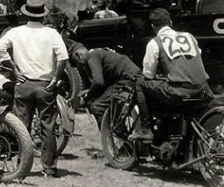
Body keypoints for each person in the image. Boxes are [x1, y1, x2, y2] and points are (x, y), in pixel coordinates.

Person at [0, 0, 69, 177]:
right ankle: (49, 168)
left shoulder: (16, 32)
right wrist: (55, 78)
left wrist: (12, 68)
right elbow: (63, 57)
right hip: (45, 85)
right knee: (48, 127)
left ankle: (22, 166)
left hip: (23, 83)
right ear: (43, 16)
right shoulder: (51, 34)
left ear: (25, 14)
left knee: (21, 127)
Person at [129, 8, 211, 142]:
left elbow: (148, 74)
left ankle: (146, 130)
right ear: (170, 22)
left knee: (140, 83)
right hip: (202, 87)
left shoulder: (155, 42)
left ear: (153, 27)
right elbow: (196, 56)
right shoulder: (189, 36)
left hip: (180, 90)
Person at [70, 45, 140, 125]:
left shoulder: (91, 56)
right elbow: (103, 83)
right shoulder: (98, 52)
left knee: (97, 107)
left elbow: (98, 82)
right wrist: (88, 90)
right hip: (131, 76)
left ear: (78, 55)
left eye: (76, 62)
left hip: (126, 79)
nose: (79, 65)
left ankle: (109, 134)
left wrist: (87, 98)